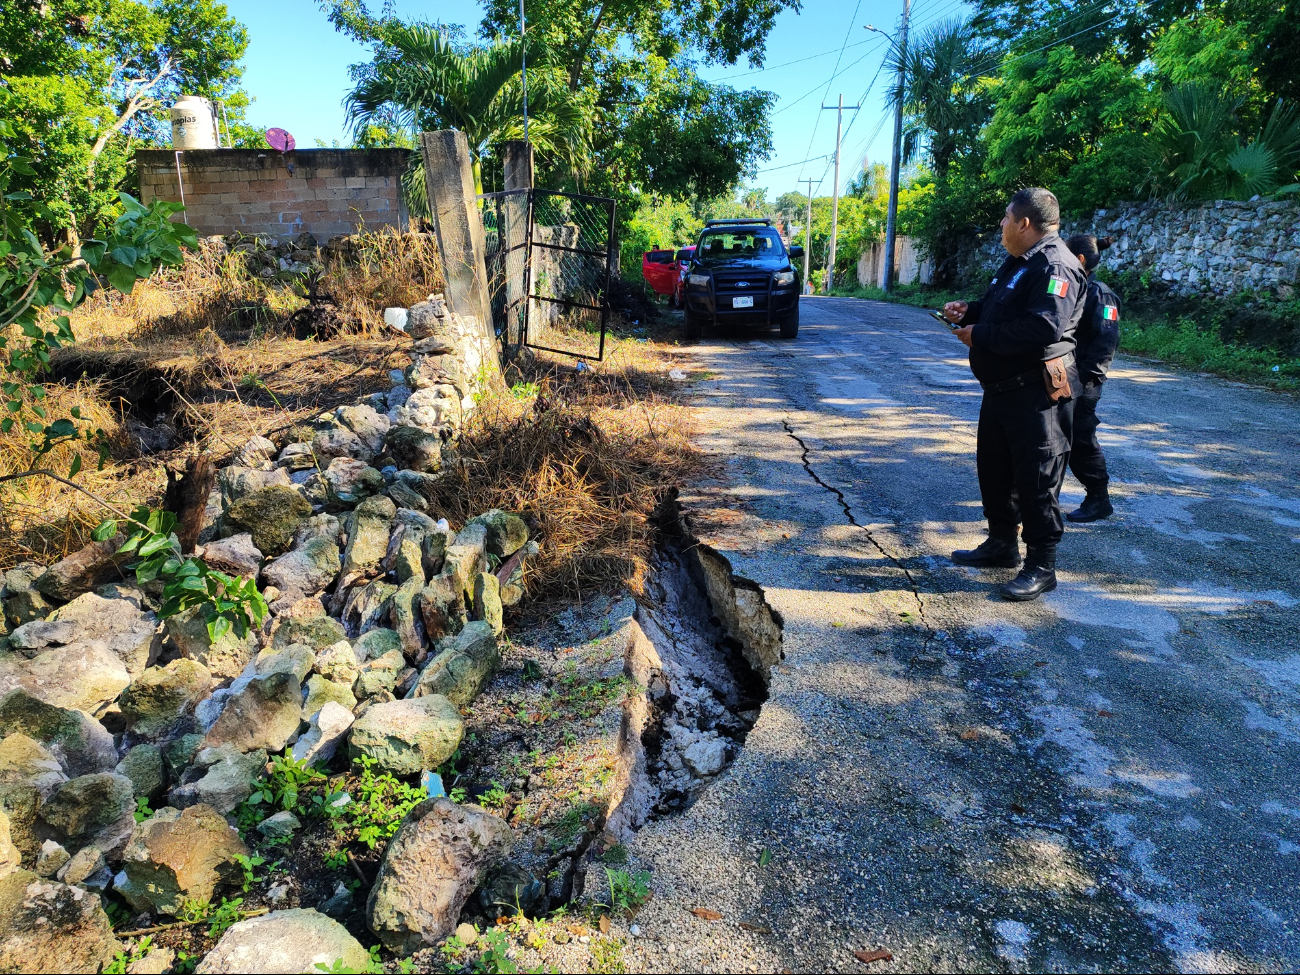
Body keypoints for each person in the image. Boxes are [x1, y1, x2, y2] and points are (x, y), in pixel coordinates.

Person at [943, 188, 1087, 601]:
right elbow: (1000, 308)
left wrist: (980, 335)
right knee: (995, 469)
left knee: (1036, 477)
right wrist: (969, 311)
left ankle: (1042, 565)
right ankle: (1001, 542)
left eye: (1007, 218)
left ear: (1025, 223)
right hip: (1002, 391)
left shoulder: (1056, 266)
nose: (1002, 225)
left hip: (1035, 393)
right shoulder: (1019, 263)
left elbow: (1044, 327)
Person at [1063, 234, 1121, 522]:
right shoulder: (1072, 286)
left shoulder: (1100, 294)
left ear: (1081, 259)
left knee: (1081, 440)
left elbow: (1106, 340)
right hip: (1062, 377)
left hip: (1083, 382)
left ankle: (1099, 499)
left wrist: (1087, 382)